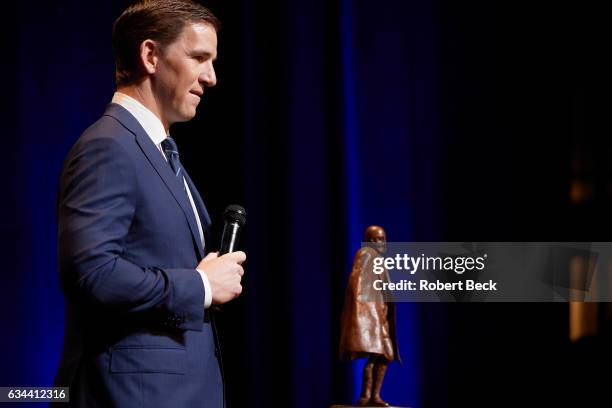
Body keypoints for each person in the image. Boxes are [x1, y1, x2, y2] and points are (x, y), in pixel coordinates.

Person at [53, 1, 245, 407]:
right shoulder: (109, 146)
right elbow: (92, 274)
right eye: (199, 58)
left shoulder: (157, 152)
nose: (211, 77)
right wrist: (201, 285)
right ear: (150, 55)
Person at [339, 226, 400, 407]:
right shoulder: (366, 253)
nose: (384, 243)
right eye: (380, 239)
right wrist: (363, 311)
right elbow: (355, 280)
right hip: (371, 316)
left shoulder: (377, 259)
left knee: (385, 355)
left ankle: (373, 396)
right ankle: (367, 396)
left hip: (380, 317)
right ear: (371, 241)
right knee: (380, 355)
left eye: (384, 238)